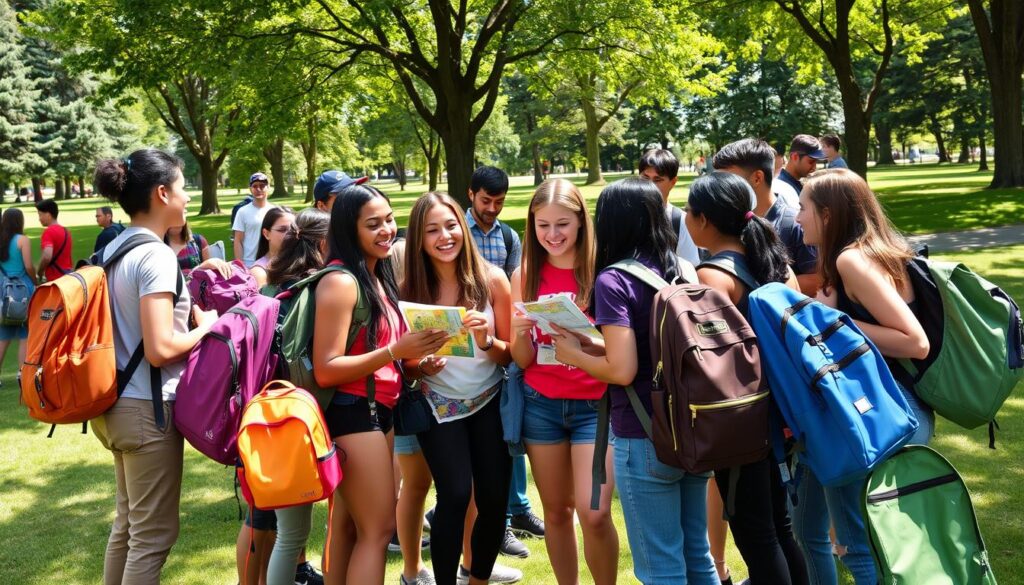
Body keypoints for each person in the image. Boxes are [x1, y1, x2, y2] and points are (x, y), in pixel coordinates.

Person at [551, 178, 717, 584]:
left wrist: (572, 354)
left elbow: (622, 370)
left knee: (660, 566)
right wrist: (596, 347)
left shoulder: (613, 280)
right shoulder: (683, 267)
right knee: (698, 554)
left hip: (643, 434)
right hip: (692, 428)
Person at [794, 169, 934, 585]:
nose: (796, 216)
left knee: (860, 546)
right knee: (853, 537)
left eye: (803, 208)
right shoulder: (865, 253)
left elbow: (915, 341)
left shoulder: (851, 258)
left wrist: (833, 322)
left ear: (828, 214)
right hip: (894, 409)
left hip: (884, 414)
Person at [90, 149, 219, 584]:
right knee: (152, 536)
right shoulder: (157, 257)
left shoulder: (116, 247)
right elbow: (162, 348)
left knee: (128, 528)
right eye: (183, 188)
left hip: (115, 406)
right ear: (162, 193)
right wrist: (210, 327)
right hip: (146, 411)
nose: (187, 198)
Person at [312, 183, 448, 584]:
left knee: (352, 528)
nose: (387, 229)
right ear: (349, 230)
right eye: (373, 224)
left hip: (377, 413)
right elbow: (327, 368)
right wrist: (395, 352)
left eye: (389, 219)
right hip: (353, 415)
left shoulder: (375, 278)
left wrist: (415, 366)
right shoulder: (341, 282)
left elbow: (377, 358)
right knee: (377, 531)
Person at [685, 172, 808, 585]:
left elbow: (714, 363)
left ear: (703, 220)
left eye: (688, 209)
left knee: (756, 536)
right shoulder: (775, 262)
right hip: (783, 410)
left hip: (743, 421)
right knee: (779, 527)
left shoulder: (713, 276)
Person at [509, 179, 619, 584]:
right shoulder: (524, 274)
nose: (552, 236)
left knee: (596, 513)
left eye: (562, 225)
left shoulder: (603, 270)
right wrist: (520, 332)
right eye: (543, 226)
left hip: (596, 405)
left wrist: (584, 339)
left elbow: (619, 350)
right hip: (541, 403)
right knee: (556, 512)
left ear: (581, 223)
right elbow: (522, 358)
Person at [401, 191, 514, 585]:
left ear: (463, 227)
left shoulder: (493, 279)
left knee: (495, 497)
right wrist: (421, 364)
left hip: (490, 400)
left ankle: (478, 579)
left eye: (450, 226)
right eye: (432, 230)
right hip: (439, 404)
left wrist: (487, 342)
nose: (444, 236)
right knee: (453, 494)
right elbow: (407, 363)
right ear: (418, 238)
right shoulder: (409, 289)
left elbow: (511, 356)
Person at [464, 165, 543, 557]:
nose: (492, 209)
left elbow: (514, 295)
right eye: (485, 201)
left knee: (510, 431)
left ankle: (518, 511)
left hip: (499, 344)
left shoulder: (508, 236)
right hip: (462, 352)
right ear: (470, 194)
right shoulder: (455, 233)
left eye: (498, 202)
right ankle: (497, 521)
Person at [256, 208, 331, 585]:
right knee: (292, 537)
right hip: (302, 419)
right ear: (322, 243)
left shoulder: (272, 283)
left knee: (287, 533)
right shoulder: (315, 288)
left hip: (269, 413)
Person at [713, 138, 821, 295]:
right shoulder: (726, 222)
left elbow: (817, 279)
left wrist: (755, 291)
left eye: (729, 180)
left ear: (757, 178)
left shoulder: (795, 224)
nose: (720, 188)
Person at [638, 148, 702, 265]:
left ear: (673, 182)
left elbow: (690, 268)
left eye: (657, 180)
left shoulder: (681, 220)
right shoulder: (625, 213)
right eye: (645, 178)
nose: (649, 185)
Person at [0, 208, 36, 382]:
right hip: (22, 289)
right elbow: (28, 266)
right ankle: (22, 373)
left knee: (3, 334)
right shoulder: (22, 240)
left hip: (2, 289)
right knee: (25, 334)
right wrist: (36, 279)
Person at [233, 172, 276, 268]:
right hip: (249, 264)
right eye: (255, 186)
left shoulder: (275, 211)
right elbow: (238, 240)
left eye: (262, 186)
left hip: (271, 263)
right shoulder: (242, 212)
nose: (258, 189)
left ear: (268, 187)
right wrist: (240, 265)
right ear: (250, 189)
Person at [774, 135, 827, 207]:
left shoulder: (795, 183)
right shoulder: (781, 187)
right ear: (795, 157)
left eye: (816, 162)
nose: (814, 168)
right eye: (811, 162)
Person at [250, 207, 296, 288]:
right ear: (266, 234)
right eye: (282, 230)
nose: (289, 234)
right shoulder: (259, 273)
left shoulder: (301, 262)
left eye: (293, 229)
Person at [35, 199, 72, 282]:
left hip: (55, 278)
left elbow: (47, 256)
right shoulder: (66, 231)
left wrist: (40, 272)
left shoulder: (48, 232)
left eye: (40, 215)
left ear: (48, 215)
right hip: (68, 275)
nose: (39, 219)